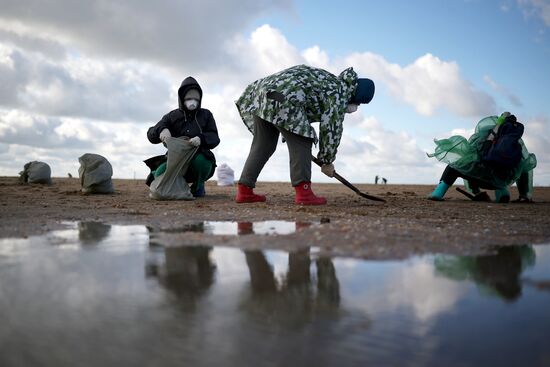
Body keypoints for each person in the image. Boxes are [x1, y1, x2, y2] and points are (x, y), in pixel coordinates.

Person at [234, 64, 375, 205]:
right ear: (355, 96)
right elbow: (331, 128)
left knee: (263, 144)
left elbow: (301, 101)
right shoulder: (339, 93)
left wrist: (287, 127)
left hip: (263, 93)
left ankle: (244, 190)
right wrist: (327, 160)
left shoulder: (329, 81)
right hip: (284, 96)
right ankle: (304, 193)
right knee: (303, 139)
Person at [427, 112, 537, 203]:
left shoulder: (484, 137)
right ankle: (510, 194)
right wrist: (525, 194)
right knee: (522, 166)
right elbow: (526, 167)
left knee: (457, 165)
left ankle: (439, 192)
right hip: (501, 181)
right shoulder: (515, 146)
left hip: (480, 177)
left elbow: (469, 162)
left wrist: (475, 191)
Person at [147, 77, 220, 197]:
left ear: (200, 98)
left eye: (196, 98)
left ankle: (198, 186)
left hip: (198, 157)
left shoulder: (206, 115)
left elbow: (215, 137)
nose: (192, 101)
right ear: (182, 98)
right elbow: (150, 134)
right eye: (189, 98)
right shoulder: (171, 116)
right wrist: (161, 130)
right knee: (159, 172)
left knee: (201, 163)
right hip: (175, 160)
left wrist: (201, 138)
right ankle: (178, 185)